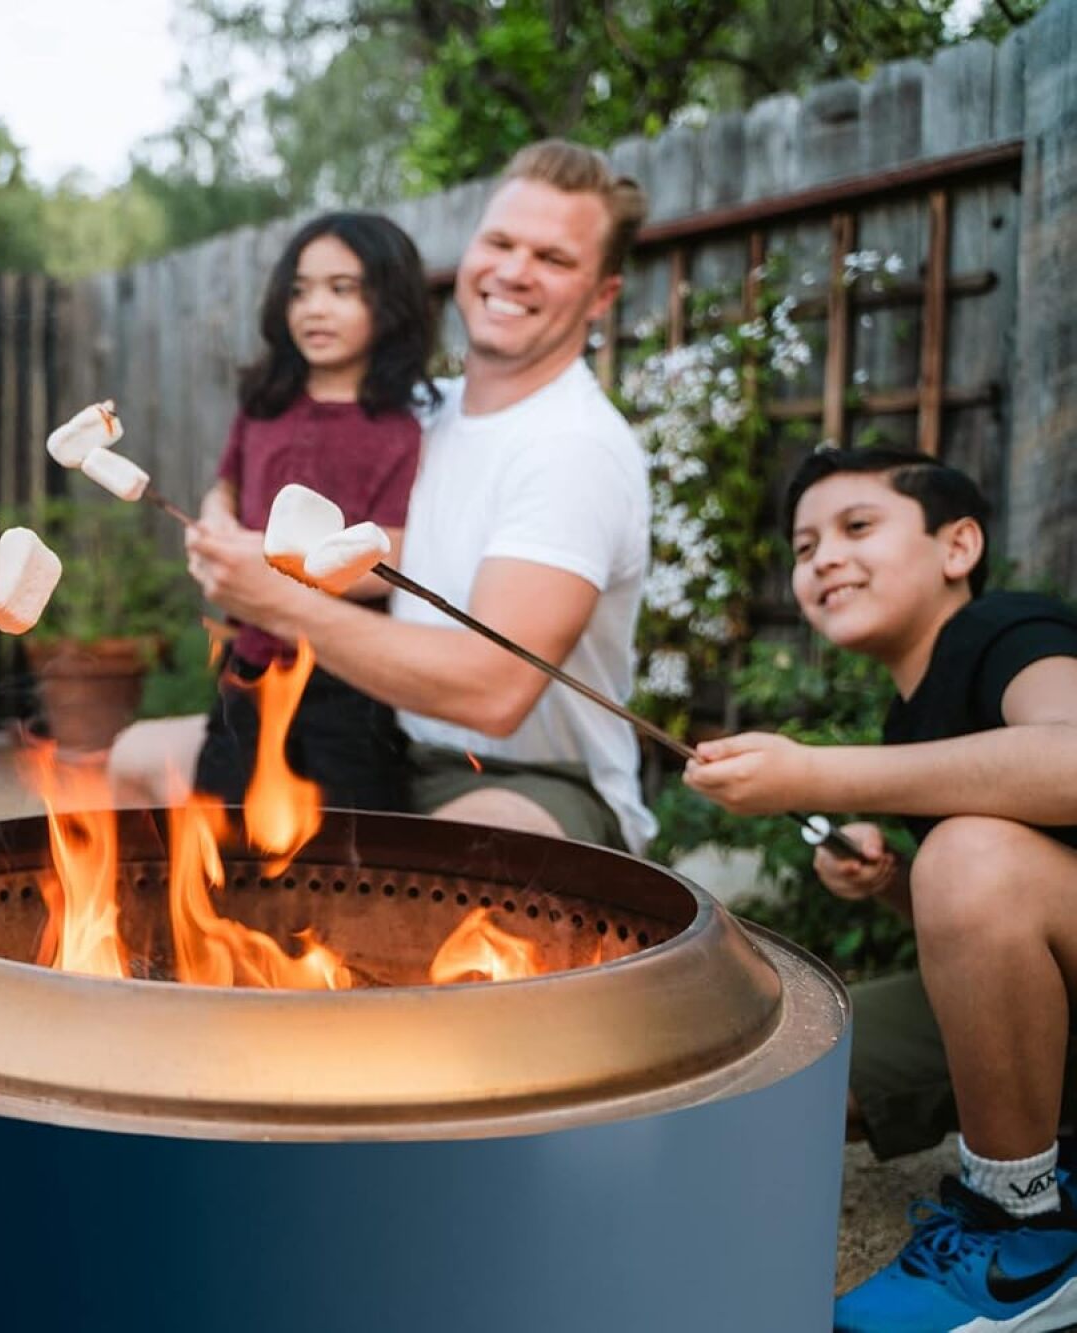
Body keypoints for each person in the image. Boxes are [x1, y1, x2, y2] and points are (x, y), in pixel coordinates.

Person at [685, 447, 1077, 1333]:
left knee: (970, 854)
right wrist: (897, 882)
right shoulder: (913, 710)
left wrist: (817, 773)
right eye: (804, 544)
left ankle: (1021, 1230)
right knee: (795, 1058)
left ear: (959, 545)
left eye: (857, 527)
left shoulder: (1010, 630)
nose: (821, 558)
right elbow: (1001, 930)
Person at [184, 140, 655, 853]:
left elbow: (493, 691)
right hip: (384, 735)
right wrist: (224, 520)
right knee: (137, 772)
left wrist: (273, 594)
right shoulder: (424, 413)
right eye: (499, 242)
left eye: (553, 259)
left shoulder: (572, 448)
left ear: (602, 295)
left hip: (520, 778)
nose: (513, 271)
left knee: (465, 848)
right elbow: (262, 475)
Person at [113, 213, 432, 812]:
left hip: (348, 673)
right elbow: (226, 486)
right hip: (249, 662)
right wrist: (220, 525)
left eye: (341, 289)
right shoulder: (264, 406)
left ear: (390, 301)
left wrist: (275, 576)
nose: (315, 308)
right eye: (300, 290)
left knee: (352, 834)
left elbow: (393, 542)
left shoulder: (398, 430)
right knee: (224, 822)